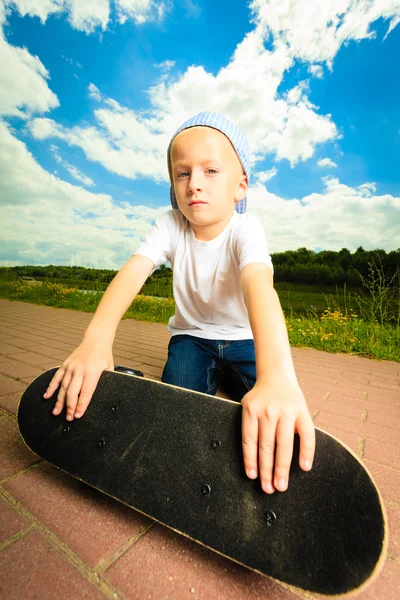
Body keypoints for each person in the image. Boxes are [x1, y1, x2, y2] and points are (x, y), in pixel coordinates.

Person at [43, 111, 315, 495]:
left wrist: (278, 377)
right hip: (192, 339)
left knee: (275, 408)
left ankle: (248, 388)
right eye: (182, 173)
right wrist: (96, 340)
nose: (194, 185)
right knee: (174, 406)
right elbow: (133, 272)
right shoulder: (170, 224)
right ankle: (203, 385)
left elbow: (259, 286)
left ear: (241, 185)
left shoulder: (246, 229)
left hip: (244, 341)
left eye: (211, 171)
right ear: (173, 185)